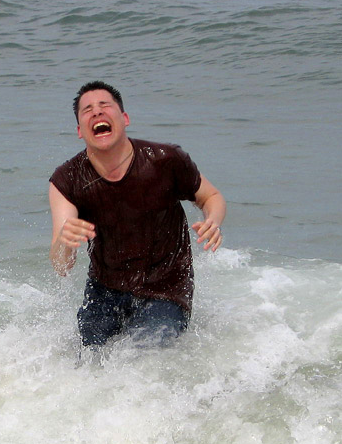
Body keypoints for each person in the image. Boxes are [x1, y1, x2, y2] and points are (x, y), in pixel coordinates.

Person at [49, 81, 226, 348]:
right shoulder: (67, 180)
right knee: (88, 358)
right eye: (87, 110)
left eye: (105, 105)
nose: (97, 112)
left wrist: (213, 220)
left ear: (125, 119)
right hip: (104, 290)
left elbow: (211, 197)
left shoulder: (165, 160)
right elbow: (61, 266)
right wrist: (65, 240)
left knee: (146, 357)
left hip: (166, 289)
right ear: (79, 131)